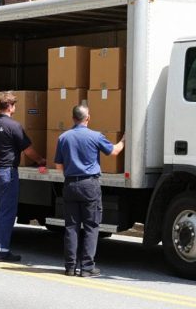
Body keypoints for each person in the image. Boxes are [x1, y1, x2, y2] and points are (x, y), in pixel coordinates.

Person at [54, 104, 125, 277]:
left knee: (71, 226)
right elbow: (114, 152)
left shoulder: (63, 137)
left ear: (73, 118)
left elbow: (58, 167)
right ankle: (87, 268)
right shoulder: (95, 136)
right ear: (88, 118)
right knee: (91, 226)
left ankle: (70, 267)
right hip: (89, 185)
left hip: (70, 184)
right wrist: (124, 140)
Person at [0, 91, 47, 262]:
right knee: (6, 212)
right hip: (7, 172)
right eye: (14, 106)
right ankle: (2, 252)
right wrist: (41, 160)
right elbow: (27, 150)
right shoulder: (14, 126)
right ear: (11, 107)